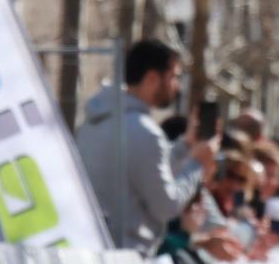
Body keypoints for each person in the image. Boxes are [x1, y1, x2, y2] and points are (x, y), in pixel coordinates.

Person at [77, 39, 218, 248]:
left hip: (96, 249)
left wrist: (185, 147)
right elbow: (167, 207)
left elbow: (142, 172)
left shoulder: (93, 121)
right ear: (152, 78)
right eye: (174, 77)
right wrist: (196, 164)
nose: (177, 87)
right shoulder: (145, 131)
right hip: (127, 258)